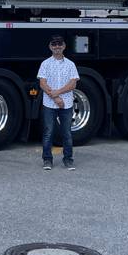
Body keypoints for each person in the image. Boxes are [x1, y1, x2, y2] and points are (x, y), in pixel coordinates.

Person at [38, 34, 79, 170]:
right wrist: (55, 97)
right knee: (48, 131)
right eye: (54, 44)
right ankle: (47, 160)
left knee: (66, 132)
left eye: (59, 44)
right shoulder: (45, 64)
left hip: (66, 103)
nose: (57, 47)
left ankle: (68, 159)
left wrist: (58, 93)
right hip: (50, 103)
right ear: (50, 46)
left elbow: (73, 84)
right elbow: (42, 83)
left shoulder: (70, 64)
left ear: (64, 46)